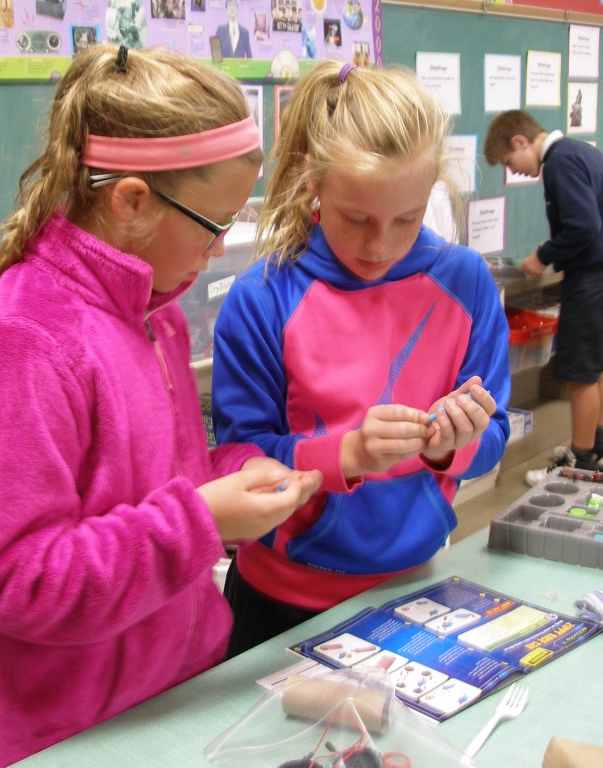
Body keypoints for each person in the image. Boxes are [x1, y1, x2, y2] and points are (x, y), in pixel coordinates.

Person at [0, 44, 321, 768]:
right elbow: (21, 581)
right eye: (213, 224)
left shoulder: (154, 312)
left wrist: (240, 472)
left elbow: (155, 483)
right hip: (62, 733)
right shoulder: (20, 343)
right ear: (133, 201)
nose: (220, 248)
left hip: (170, 697)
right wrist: (204, 521)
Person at [211, 61, 509, 658]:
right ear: (312, 182)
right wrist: (346, 455)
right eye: (357, 219)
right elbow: (235, 462)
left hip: (416, 585)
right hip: (283, 601)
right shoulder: (265, 296)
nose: (380, 246)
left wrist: (449, 445)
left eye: (407, 218)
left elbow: (495, 436)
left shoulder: (465, 282)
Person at [484, 110, 603, 485]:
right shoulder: (581, 151)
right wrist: (554, 248)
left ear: (520, 142)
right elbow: (588, 221)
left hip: (592, 280)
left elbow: (583, 226)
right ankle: (599, 447)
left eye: (508, 162)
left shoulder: (559, 163)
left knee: (579, 375)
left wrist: (543, 256)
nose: (513, 170)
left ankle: (579, 465)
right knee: (595, 367)